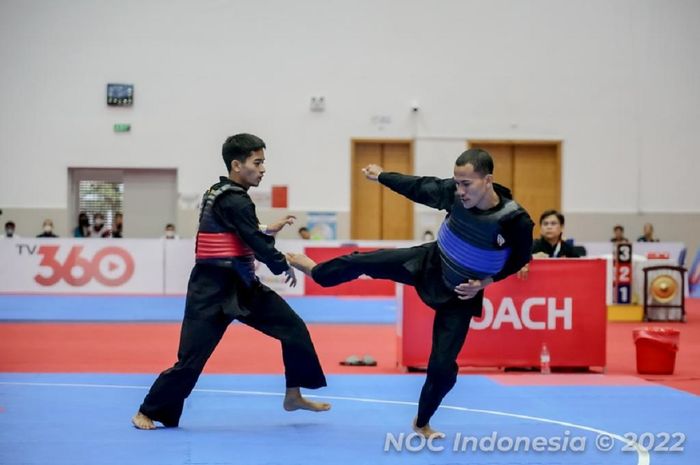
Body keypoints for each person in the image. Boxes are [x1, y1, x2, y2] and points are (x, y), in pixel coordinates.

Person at [286, 148, 534, 438]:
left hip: (461, 294)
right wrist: (381, 176)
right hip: (427, 263)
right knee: (363, 261)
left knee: (442, 369)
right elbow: (418, 186)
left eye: (467, 184)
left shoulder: (515, 221)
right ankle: (316, 271)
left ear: (488, 180)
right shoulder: (453, 193)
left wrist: (486, 282)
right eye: (457, 182)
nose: (460, 190)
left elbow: (519, 259)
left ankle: (422, 423)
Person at [132, 133, 329, 430]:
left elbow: (240, 229)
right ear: (237, 165)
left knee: (294, 329)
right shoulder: (236, 200)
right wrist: (283, 262)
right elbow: (254, 240)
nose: (263, 169)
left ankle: (293, 395)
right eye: (257, 163)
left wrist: (265, 228)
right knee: (191, 360)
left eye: (264, 163)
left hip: (243, 285)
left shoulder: (220, 192)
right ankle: (147, 411)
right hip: (210, 290)